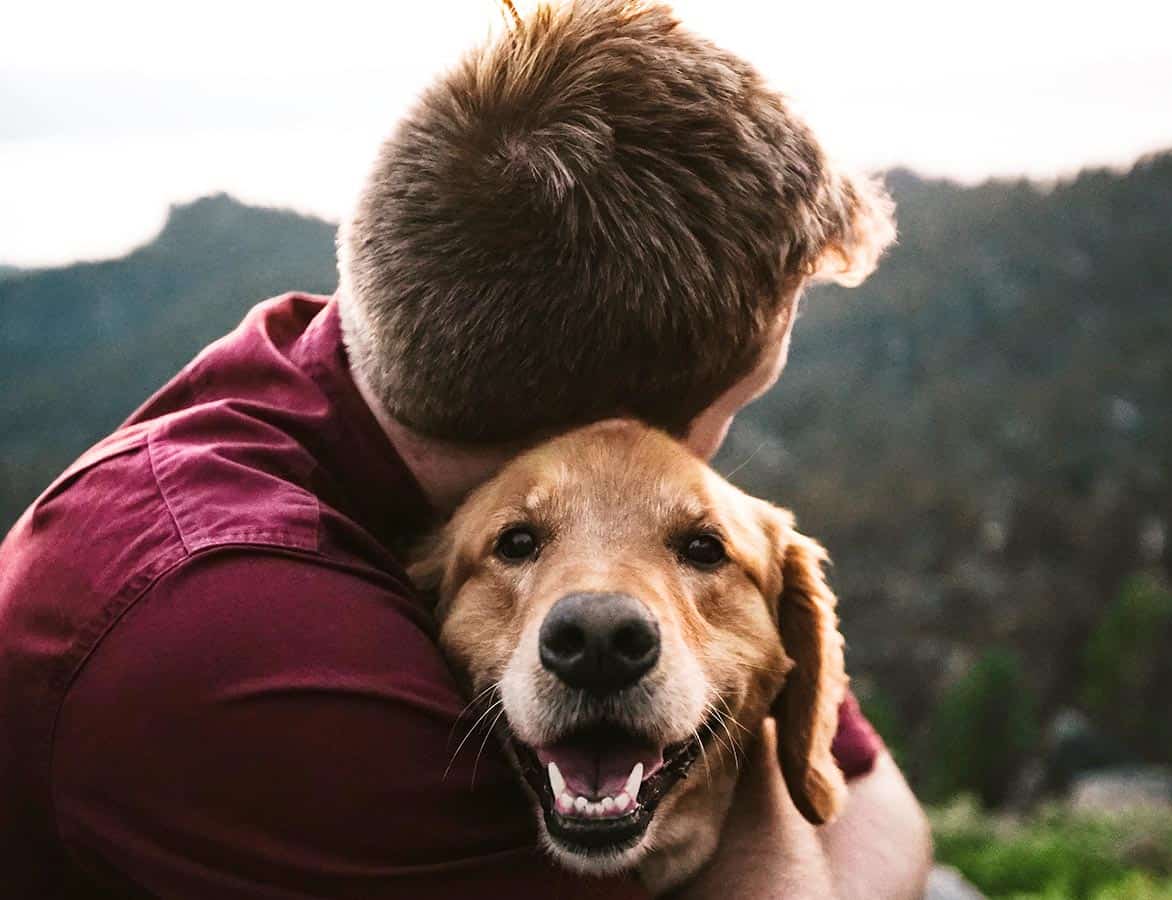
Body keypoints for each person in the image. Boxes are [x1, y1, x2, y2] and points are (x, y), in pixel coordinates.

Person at [0, 2, 931, 897]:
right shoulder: (244, 644)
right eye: (738, 405)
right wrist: (756, 765)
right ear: (611, 424)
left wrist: (750, 726)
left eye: (692, 543)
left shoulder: (378, 364)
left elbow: (878, 804)